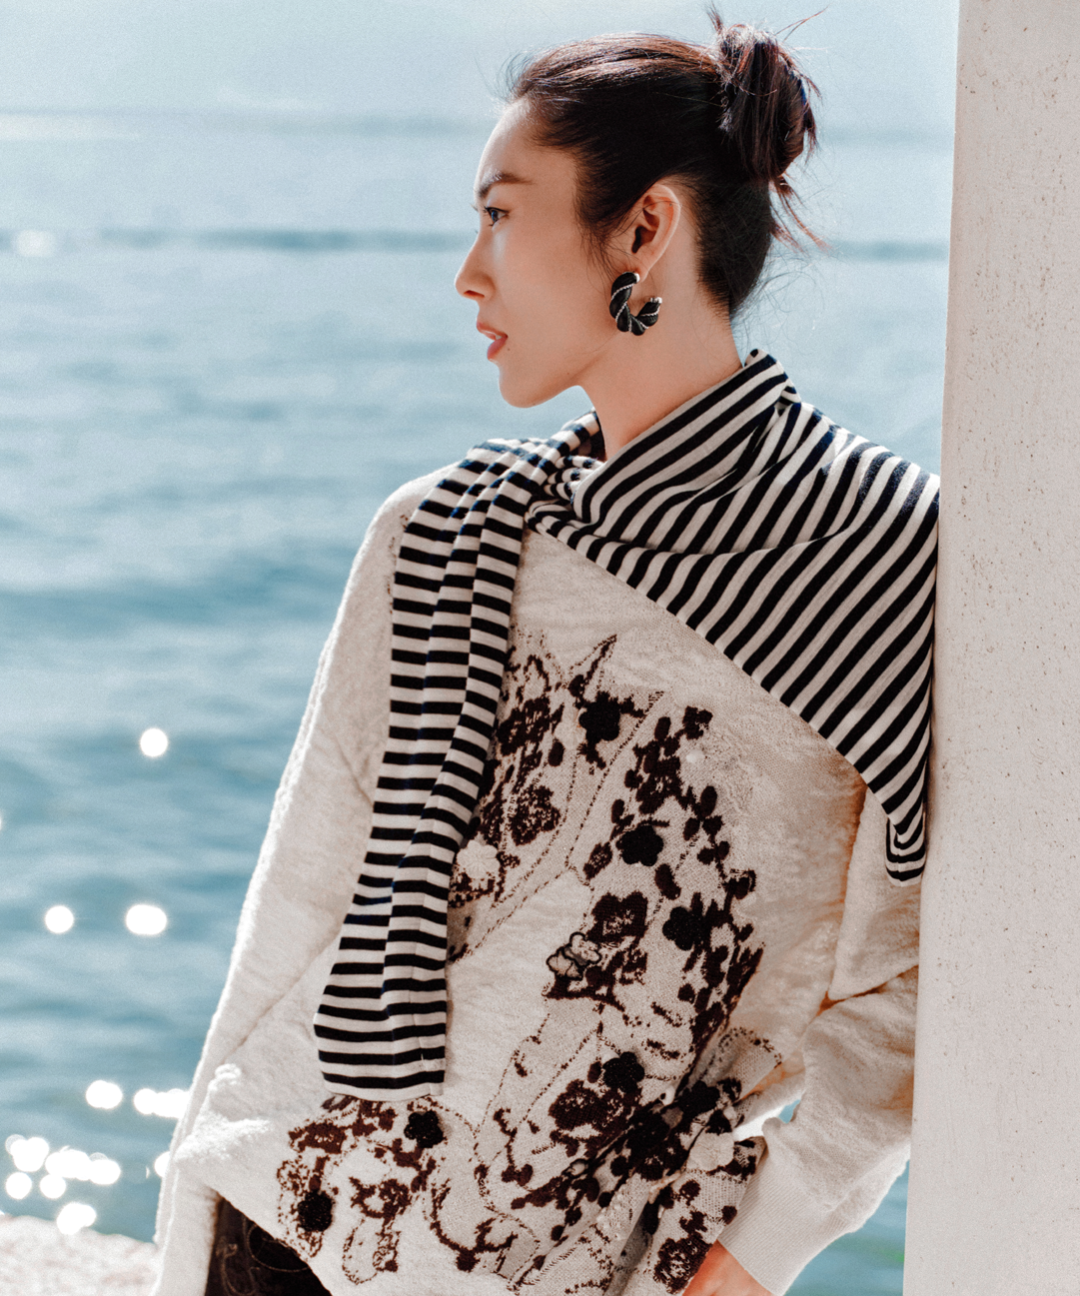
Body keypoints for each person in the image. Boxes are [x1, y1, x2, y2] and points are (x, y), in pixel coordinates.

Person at [151, 13, 937, 1296]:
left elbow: (904, 988)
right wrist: (188, 1230)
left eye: (501, 215)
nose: (469, 273)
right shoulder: (440, 531)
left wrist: (752, 1259)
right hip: (290, 1218)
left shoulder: (883, 558)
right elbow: (298, 918)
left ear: (644, 229)